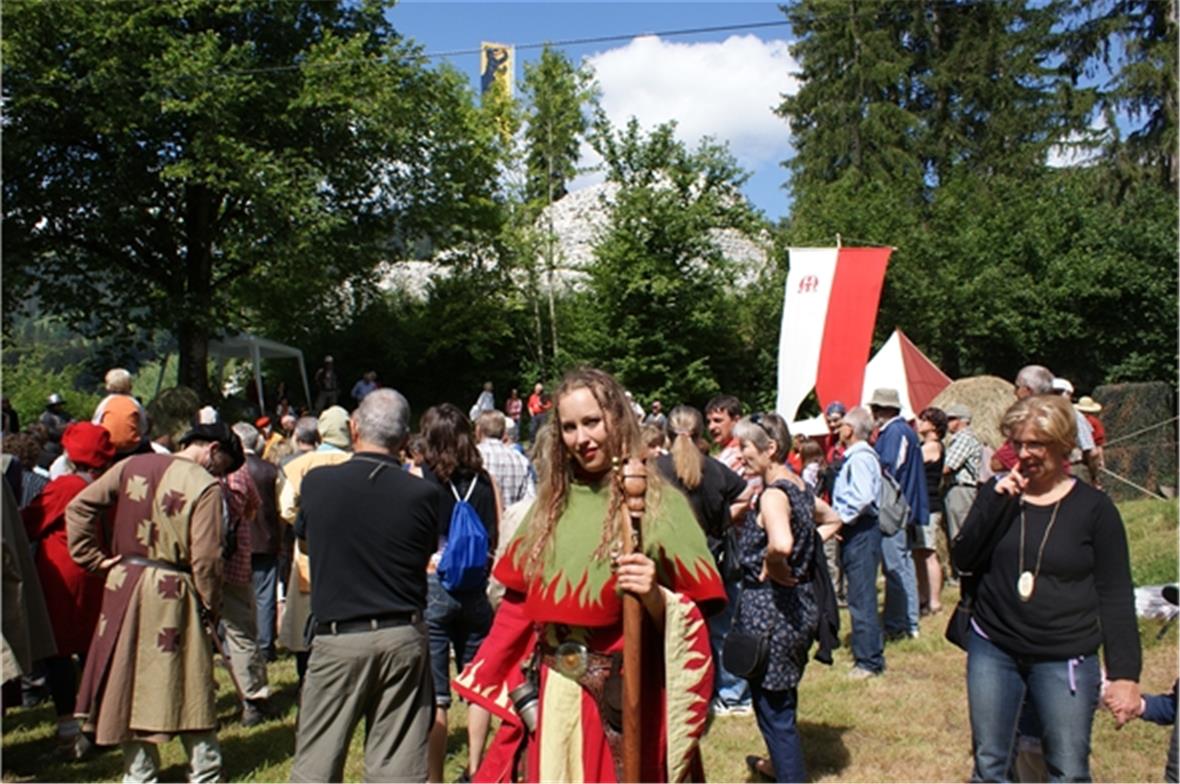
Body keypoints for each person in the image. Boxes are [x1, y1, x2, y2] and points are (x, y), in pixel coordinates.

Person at [453, 368, 725, 782]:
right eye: (569, 427)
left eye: (592, 422)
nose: (582, 439)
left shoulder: (657, 505)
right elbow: (517, 607)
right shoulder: (549, 507)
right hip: (555, 693)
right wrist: (494, 674)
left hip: (625, 699)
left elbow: (695, 618)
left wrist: (653, 594)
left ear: (616, 419)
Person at [951, 394, 1140, 781]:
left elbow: (1116, 593)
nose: (1024, 453)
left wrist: (1124, 675)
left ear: (1063, 445)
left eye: (1035, 444)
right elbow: (964, 560)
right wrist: (994, 504)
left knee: (1068, 769)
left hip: (1064, 655)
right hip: (994, 648)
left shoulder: (1094, 509)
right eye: (1017, 443)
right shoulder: (998, 493)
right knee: (989, 765)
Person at [66, 420, 244, 783]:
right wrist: (211, 606)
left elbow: (79, 508)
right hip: (172, 593)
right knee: (189, 680)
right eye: (222, 465)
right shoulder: (204, 485)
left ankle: (139, 774)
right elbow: (207, 559)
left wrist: (94, 560)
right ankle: (206, 771)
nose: (220, 473)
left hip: (123, 587)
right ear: (212, 450)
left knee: (127, 681)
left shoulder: (130, 466)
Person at [289, 389, 436, 782]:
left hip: (338, 634)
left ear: (354, 429)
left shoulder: (318, 482)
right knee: (399, 763)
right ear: (406, 439)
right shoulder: (423, 494)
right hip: (401, 633)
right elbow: (423, 552)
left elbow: (305, 540)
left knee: (317, 761)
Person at [731, 413, 842, 782]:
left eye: (746, 445)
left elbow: (781, 542)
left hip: (771, 617)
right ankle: (779, 765)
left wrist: (773, 559)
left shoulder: (775, 495)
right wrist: (804, 556)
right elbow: (834, 519)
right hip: (796, 612)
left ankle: (788, 773)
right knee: (782, 700)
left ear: (771, 448)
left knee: (774, 712)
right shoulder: (799, 488)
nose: (741, 452)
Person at [21, 422, 115, 759]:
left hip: (63, 574)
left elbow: (29, 523)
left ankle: (68, 730)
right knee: (92, 648)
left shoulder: (65, 486)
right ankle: (101, 722)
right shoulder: (110, 484)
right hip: (98, 573)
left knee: (58, 650)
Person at [417, 403, 499, 782]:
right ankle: (476, 767)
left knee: (436, 692)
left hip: (435, 583)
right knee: (478, 686)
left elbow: (416, 539)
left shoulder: (423, 481)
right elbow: (494, 537)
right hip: (475, 587)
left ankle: (434, 776)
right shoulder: (484, 481)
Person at [276, 409, 351, 683]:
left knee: (304, 618)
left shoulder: (300, 466)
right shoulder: (356, 461)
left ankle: (306, 677)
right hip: (350, 550)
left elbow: (286, 508)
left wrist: (306, 525)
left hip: (310, 549)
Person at [704, 393, 757, 715]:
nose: (712, 426)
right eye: (709, 421)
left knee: (729, 624)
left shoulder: (739, 457)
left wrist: (715, 519)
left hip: (737, 550)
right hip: (730, 549)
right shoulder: (727, 455)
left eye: (718, 420)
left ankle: (735, 694)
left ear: (736, 420)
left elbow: (745, 502)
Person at [868, 387, 926, 641]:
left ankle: (901, 622)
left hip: (894, 509)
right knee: (902, 565)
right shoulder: (905, 431)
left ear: (882, 410)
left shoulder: (894, 433)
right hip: (904, 506)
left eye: (874, 409)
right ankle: (906, 620)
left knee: (896, 567)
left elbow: (888, 468)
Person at [831, 406, 885, 678]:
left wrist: (841, 519)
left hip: (862, 530)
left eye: (841, 425)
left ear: (850, 430)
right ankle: (868, 654)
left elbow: (862, 497)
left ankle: (868, 661)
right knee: (857, 593)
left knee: (861, 595)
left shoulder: (861, 458)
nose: (838, 429)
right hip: (857, 528)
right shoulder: (857, 457)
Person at [233, 423, 282, 665]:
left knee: (236, 596)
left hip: (238, 542)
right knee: (265, 597)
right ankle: (265, 646)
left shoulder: (230, 470)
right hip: (267, 539)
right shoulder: (271, 470)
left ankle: (238, 645)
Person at [942, 403, 983, 580]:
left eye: (951, 419)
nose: (948, 423)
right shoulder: (962, 438)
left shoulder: (964, 439)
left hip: (961, 489)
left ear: (960, 421)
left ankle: (964, 573)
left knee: (960, 533)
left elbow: (948, 466)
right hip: (959, 489)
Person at [914, 407, 947, 616]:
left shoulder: (932, 447)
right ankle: (923, 597)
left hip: (929, 504)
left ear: (933, 425)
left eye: (923, 419)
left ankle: (934, 601)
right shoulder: (925, 445)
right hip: (922, 504)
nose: (919, 422)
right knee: (919, 552)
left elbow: (911, 460)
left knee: (928, 553)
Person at [476, 410, 536, 511]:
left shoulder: (473, 456)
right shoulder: (520, 460)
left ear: (478, 431)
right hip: (511, 523)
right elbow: (529, 501)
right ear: (504, 433)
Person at [91, 368, 149, 457]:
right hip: (132, 447)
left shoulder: (105, 402)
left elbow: (95, 425)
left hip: (109, 446)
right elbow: (143, 427)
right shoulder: (134, 403)